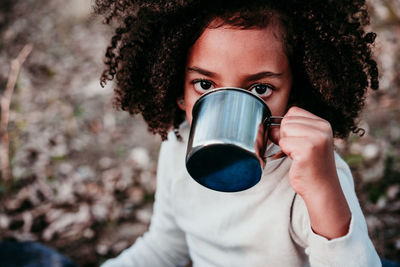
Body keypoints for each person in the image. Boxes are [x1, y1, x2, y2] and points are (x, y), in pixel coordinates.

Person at [94, 0, 382, 266]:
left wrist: (321, 190)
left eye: (259, 89)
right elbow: (165, 247)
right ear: (178, 90)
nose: (226, 109)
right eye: (205, 85)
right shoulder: (177, 148)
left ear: (298, 94)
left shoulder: (316, 177)